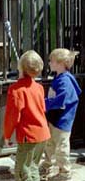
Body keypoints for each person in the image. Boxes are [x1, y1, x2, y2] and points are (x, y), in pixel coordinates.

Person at [3, 50, 51, 181]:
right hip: (43, 134)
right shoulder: (39, 87)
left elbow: (12, 116)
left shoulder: (16, 89)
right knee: (33, 167)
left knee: (22, 172)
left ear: (20, 67)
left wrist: (7, 135)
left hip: (28, 136)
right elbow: (42, 109)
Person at [40, 48, 81, 181]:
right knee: (50, 144)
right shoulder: (60, 77)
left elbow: (61, 100)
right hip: (55, 118)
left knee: (61, 148)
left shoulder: (65, 81)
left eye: (51, 61)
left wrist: (44, 104)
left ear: (60, 63)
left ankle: (64, 173)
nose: (49, 63)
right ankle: (48, 166)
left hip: (62, 120)